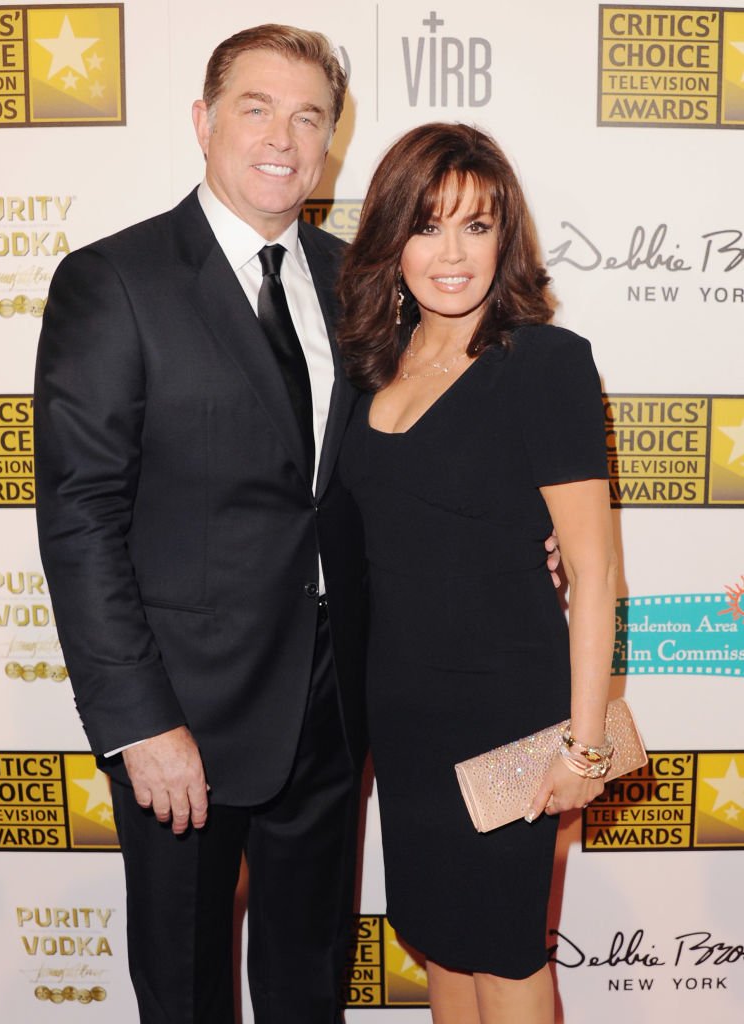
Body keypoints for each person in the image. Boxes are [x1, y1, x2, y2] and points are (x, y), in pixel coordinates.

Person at [33, 24, 369, 1024]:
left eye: (309, 116)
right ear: (203, 122)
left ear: (330, 142)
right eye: (256, 107)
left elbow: (395, 470)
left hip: (331, 701)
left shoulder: (358, 279)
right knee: (184, 991)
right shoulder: (115, 281)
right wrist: (139, 721)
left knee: (309, 986)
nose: (284, 136)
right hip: (183, 714)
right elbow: (82, 516)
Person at [337, 123, 617, 1024]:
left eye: (476, 225)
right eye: (427, 226)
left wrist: (583, 744)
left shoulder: (544, 363)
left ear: (508, 238)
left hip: (510, 719)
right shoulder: (370, 365)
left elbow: (592, 570)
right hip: (404, 719)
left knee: (502, 952)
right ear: (392, 238)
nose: (451, 253)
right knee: (439, 941)